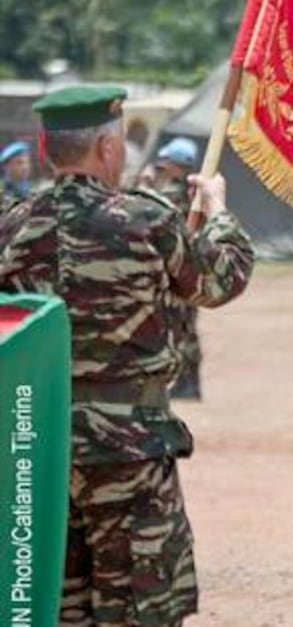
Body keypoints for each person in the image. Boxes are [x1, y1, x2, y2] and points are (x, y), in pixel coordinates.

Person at [0, 85, 255, 626]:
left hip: (39, 446)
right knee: (139, 608)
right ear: (108, 149)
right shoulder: (146, 221)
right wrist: (219, 212)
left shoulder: (15, 227)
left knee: (52, 605)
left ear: (47, 150)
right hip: (130, 446)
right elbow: (220, 278)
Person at [140, 137, 206, 400]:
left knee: (181, 327)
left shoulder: (175, 193)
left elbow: (148, 213)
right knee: (185, 326)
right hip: (190, 268)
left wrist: (145, 185)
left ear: (176, 165)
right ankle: (188, 382)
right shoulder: (195, 192)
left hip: (176, 269)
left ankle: (187, 382)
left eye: (165, 163)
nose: (161, 167)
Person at [1, 140, 34, 212]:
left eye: (27, 162)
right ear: (6, 166)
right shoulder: (3, 190)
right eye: (19, 162)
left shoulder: (32, 188)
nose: (25, 167)